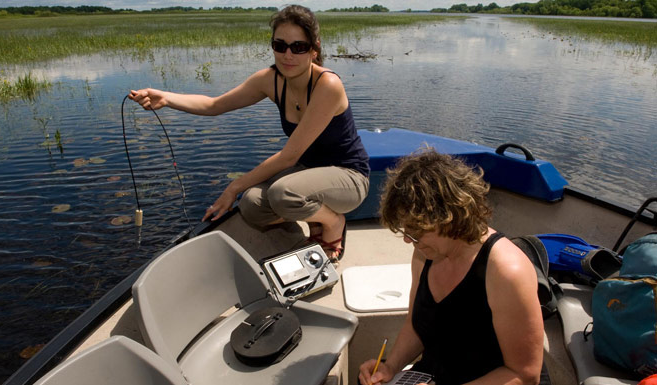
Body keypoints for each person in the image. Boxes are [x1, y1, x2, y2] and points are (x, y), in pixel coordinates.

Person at [129, 5, 370, 261]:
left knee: (282, 193)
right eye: (280, 45)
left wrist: (233, 187)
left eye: (298, 47)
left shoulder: (327, 85)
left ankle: (333, 222)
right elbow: (214, 105)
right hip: (308, 172)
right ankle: (312, 220)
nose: (288, 55)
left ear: (314, 48)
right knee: (251, 203)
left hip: (348, 176)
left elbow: (289, 157)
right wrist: (166, 98)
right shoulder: (270, 80)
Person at [358, 149, 548, 385]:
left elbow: (525, 374)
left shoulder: (506, 271)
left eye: (416, 231)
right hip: (437, 373)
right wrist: (390, 368)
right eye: (406, 231)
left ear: (449, 218)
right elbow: (416, 324)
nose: (409, 240)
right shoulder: (424, 254)